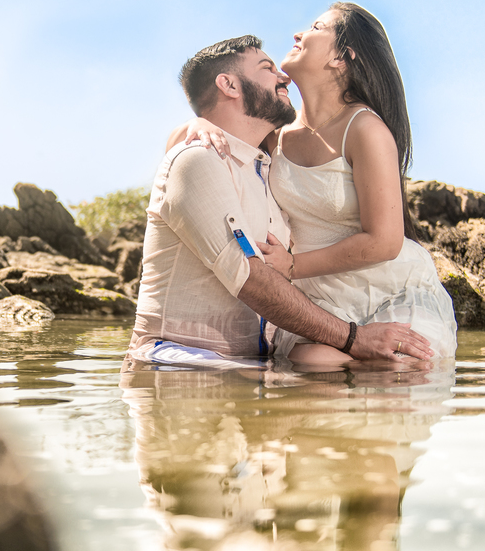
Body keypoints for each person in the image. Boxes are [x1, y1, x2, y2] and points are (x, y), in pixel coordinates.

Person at [126, 34, 432, 369]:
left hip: (254, 364)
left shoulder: (269, 170)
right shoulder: (199, 159)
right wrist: (353, 338)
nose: (283, 76)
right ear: (228, 85)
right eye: (268, 68)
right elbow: (250, 276)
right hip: (181, 359)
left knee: (386, 370)